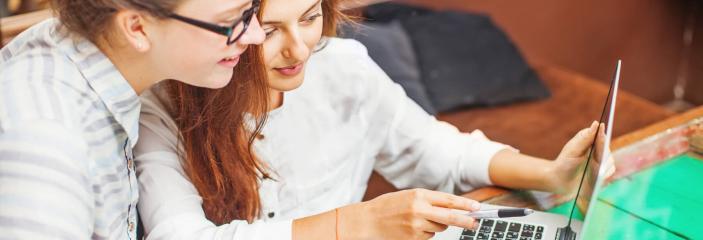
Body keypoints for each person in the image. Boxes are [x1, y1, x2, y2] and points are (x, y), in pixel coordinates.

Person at [135, 0, 606, 239]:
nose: (299, 49)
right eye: (272, 29)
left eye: (309, 17)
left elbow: (432, 147)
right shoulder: (166, 105)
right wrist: (354, 224)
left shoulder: (343, 66)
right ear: (231, 27)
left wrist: (550, 173)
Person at [0, 0, 264, 239]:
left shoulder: (93, 60)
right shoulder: (45, 136)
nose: (256, 34)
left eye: (250, 10)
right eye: (231, 22)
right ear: (137, 28)